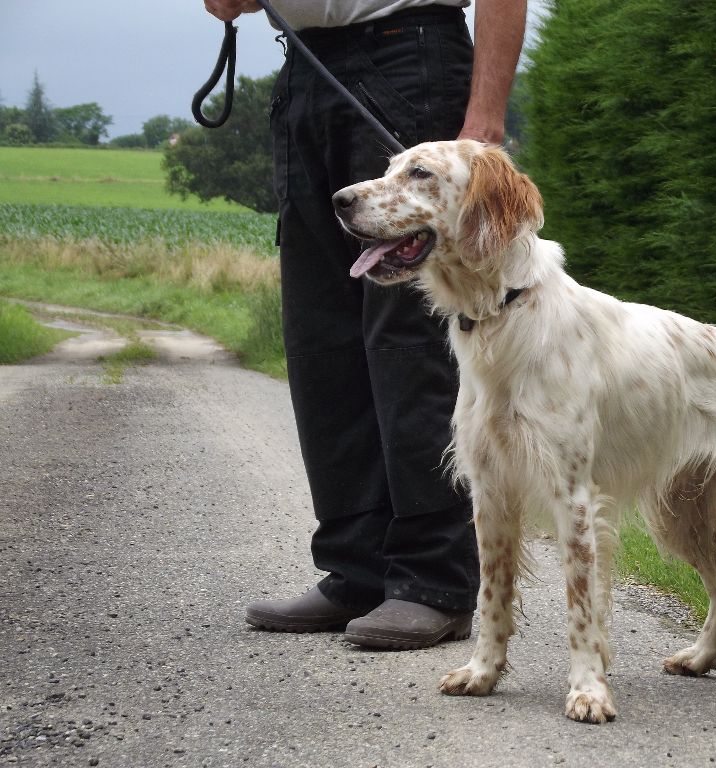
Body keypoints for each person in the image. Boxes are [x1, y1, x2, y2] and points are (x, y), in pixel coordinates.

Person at [202, 0, 526, 649]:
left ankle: (436, 578)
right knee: (322, 334)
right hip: (305, 70)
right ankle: (356, 569)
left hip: (409, 57)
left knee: (410, 339)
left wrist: (483, 121)